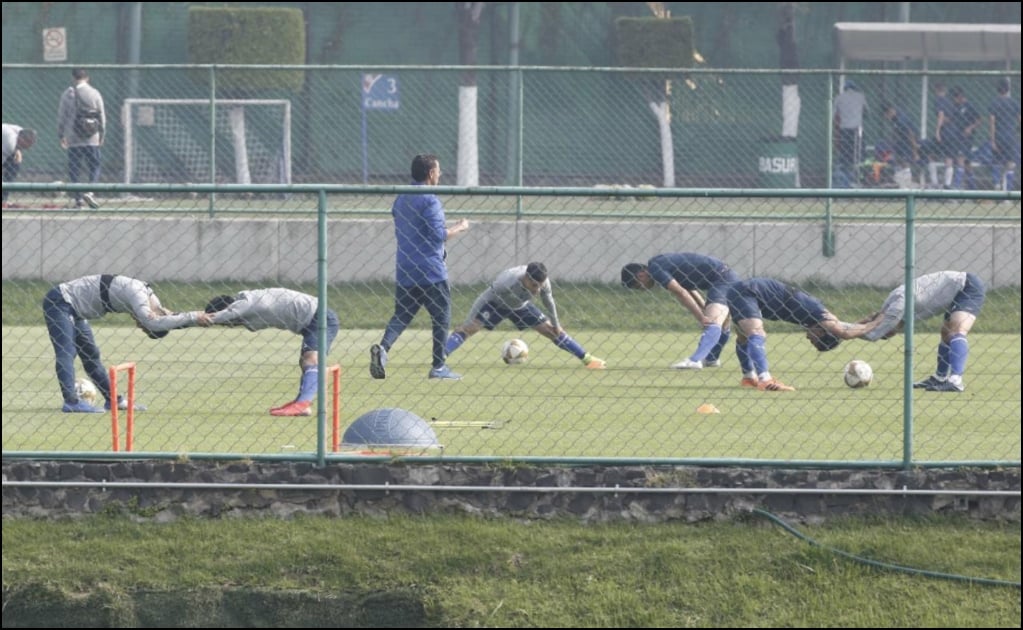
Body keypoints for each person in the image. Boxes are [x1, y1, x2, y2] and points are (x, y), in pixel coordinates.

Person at [370, 154, 470, 381]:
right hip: (431, 270)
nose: (441, 174)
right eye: (439, 170)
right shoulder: (429, 200)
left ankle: (383, 349)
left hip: (405, 267)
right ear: (431, 174)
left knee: (402, 314)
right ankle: (438, 366)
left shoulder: (402, 197)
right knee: (441, 316)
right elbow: (438, 236)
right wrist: (460, 227)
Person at [43, 274, 201, 413]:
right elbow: (160, 319)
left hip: (76, 309)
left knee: (91, 354)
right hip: (61, 301)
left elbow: (170, 317)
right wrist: (197, 317)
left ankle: (114, 401)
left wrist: (200, 318)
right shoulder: (144, 302)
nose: (139, 326)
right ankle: (71, 402)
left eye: (143, 328)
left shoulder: (152, 304)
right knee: (67, 350)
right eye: (144, 327)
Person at [198, 288, 340, 416]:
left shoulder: (245, 304)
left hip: (320, 317)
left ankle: (302, 404)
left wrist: (191, 319)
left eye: (226, 322)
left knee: (311, 360)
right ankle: (302, 404)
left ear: (228, 309)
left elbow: (228, 314)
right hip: (312, 319)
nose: (228, 326)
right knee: (304, 362)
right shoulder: (248, 302)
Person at [444, 262, 606, 370]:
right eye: (534, 285)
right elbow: (484, 298)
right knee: (469, 328)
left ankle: (587, 359)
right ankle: (441, 355)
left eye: (540, 286)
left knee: (553, 331)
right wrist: (468, 321)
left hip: (521, 307)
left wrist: (556, 324)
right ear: (526, 278)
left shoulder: (543, 283)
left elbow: (549, 302)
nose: (537, 290)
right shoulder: (506, 281)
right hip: (496, 305)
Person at [727, 277, 874, 392]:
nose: (807, 337)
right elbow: (843, 332)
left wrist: (863, 322)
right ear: (822, 331)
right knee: (757, 333)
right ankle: (765, 380)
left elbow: (841, 328)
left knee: (743, 337)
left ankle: (749, 378)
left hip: (744, 292)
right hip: (750, 292)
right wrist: (877, 323)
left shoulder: (817, 319)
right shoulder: (820, 314)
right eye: (814, 340)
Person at [857, 271, 985, 393]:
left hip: (967, 286)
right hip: (953, 291)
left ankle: (956, 381)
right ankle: (939, 378)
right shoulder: (897, 310)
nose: (888, 336)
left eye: (885, 335)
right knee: (946, 333)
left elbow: (886, 327)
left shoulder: (897, 308)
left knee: (957, 330)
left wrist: (857, 329)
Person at [621, 253, 740, 370]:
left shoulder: (656, 270)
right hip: (725, 276)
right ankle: (711, 359)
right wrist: (703, 307)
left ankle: (694, 360)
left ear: (641, 275)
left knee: (712, 322)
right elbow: (688, 288)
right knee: (723, 323)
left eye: (638, 286)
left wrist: (701, 317)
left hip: (721, 279)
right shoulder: (660, 264)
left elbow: (680, 293)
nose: (642, 289)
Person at [56, 67, 104, 209]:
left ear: (73, 78)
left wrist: (61, 134)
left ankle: (78, 200)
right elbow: (102, 116)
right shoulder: (95, 93)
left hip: (74, 137)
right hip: (91, 137)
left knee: (74, 168)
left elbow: (61, 116)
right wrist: (102, 134)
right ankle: (90, 191)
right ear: (87, 78)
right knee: (94, 165)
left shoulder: (68, 94)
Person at [939, 86, 982, 190]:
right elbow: (951, 119)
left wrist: (970, 128)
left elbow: (979, 120)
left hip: (966, 138)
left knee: (961, 160)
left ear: (959, 96)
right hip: (955, 137)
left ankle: (957, 188)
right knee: (965, 163)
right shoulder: (954, 106)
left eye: (954, 98)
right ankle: (972, 188)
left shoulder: (969, 106)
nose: (954, 100)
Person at [832, 80, 868, 187]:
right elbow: (867, 112)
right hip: (857, 130)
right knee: (858, 155)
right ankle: (858, 179)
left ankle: (846, 179)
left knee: (845, 155)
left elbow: (834, 115)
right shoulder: (861, 96)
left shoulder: (839, 97)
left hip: (844, 130)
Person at [987, 78, 1020, 191]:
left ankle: (997, 184)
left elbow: (992, 122)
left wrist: (992, 140)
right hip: (1010, 136)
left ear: (997, 89)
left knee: (997, 162)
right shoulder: (1014, 103)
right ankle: (1007, 191)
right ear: (1008, 89)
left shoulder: (994, 103)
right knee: (1010, 163)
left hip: (998, 136)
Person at [2, 124, 37, 208]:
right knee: (14, 166)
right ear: (22, 140)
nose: (29, 148)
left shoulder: (20, 131)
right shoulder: (10, 144)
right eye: (28, 144)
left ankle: (3, 199)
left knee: (15, 163)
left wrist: (17, 151)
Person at [881, 102, 921, 175]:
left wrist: (915, 151)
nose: (886, 117)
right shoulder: (894, 118)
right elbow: (896, 132)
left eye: (887, 114)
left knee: (906, 159)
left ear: (891, 111)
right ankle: (901, 173)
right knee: (895, 154)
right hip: (902, 139)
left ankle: (907, 177)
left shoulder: (900, 119)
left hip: (911, 139)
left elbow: (910, 133)